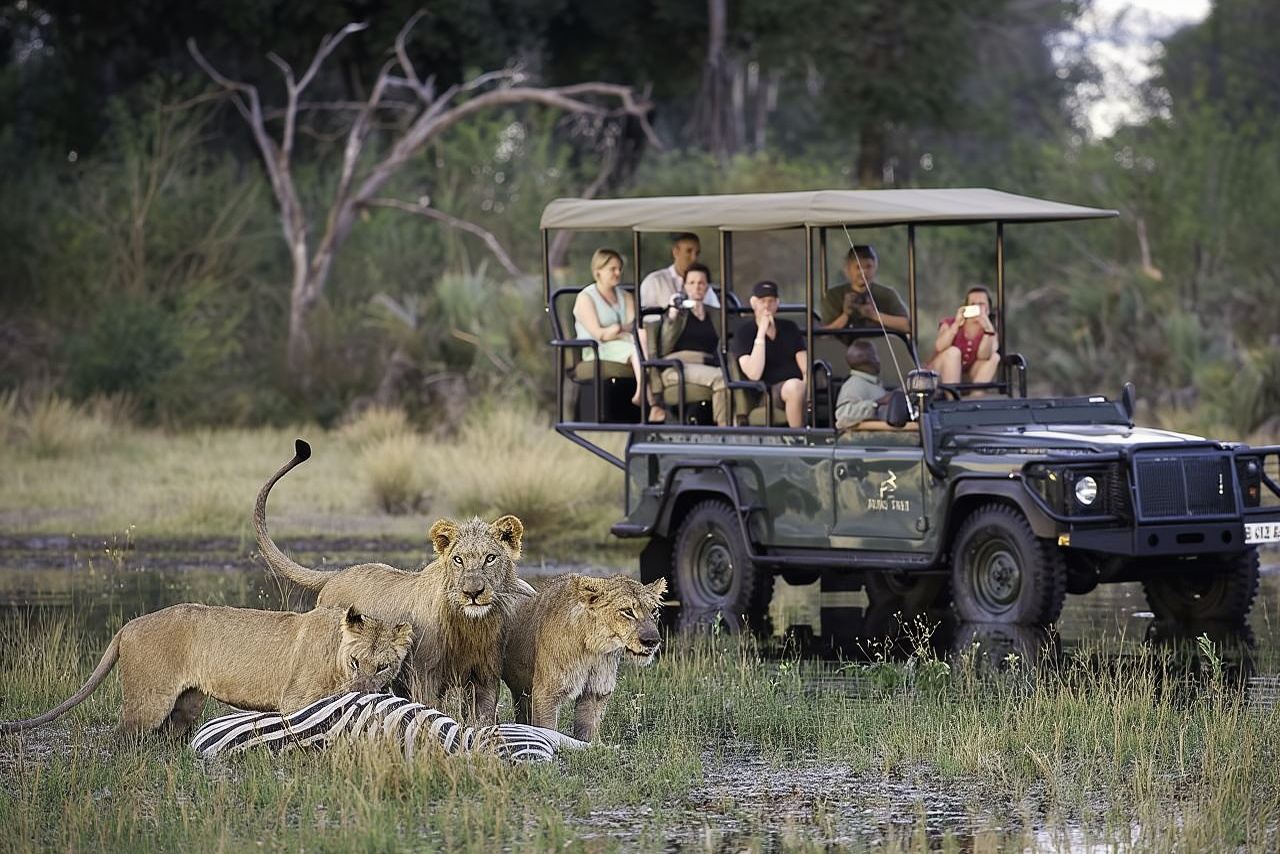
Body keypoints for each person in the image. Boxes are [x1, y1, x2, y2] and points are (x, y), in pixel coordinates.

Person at [573, 248, 665, 422]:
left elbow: (632, 325)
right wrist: (616, 330)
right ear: (598, 271)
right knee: (636, 348)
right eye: (613, 269)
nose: (617, 273)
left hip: (626, 342)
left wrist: (617, 329)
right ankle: (650, 399)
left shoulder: (626, 297)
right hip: (598, 348)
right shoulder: (585, 298)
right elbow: (598, 333)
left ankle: (657, 401)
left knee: (644, 339)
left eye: (619, 269)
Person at [655, 262, 728, 425]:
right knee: (722, 378)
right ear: (685, 286)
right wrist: (672, 316)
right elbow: (664, 348)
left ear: (707, 287)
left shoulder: (715, 314)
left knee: (732, 375)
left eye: (701, 283)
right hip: (676, 368)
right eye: (692, 283)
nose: (697, 287)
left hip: (709, 365)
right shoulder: (678, 314)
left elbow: (725, 342)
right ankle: (724, 429)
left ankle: (738, 422)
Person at [731, 280, 807, 428]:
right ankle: (798, 436)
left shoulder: (790, 327)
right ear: (754, 303)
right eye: (762, 301)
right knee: (795, 386)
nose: (766, 306)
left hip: (795, 386)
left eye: (771, 301)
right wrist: (761, 333)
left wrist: (807, 384)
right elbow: (754, 373)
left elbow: (805, 365)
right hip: (765, 392)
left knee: (799, 386)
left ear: (777, 303)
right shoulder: (744, 332)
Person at [820, 245, 909, 334]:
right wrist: (846, 315)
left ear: (875, 268)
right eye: (858, 267)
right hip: (844, 342)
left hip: (878, 341)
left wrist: (873, 314)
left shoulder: (887, 295)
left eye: (868, 267)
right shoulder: (833, 296)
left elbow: (907, 326)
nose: (863, 272)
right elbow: (822, 334)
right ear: (847, 269)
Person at [929, 285, 1000, 390]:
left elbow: (984, 356)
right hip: (940, 372)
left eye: (981, 304)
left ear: (988, 308)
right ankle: (952, 396)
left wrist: (987, 329)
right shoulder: (950, 323)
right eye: (973, 304)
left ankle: (976, 395)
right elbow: (939, 346)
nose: (977, 308)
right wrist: (956, 325)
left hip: (968, 374)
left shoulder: (990, 330)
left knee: (994, 357)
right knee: (953, 352)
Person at [639, 232, 721, 311]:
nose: (694, 258)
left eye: (697, 253)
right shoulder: (655, 282)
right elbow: (647, 317)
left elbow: (714, 312)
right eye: (689, 251)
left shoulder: (702, 285)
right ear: (675, 252)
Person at [834, 340, 894, 429]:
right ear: (867, 359)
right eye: (875, 355)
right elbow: (843, 416)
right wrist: (877, 403)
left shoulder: (871, 383)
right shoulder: (854, 384)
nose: (878, 360)